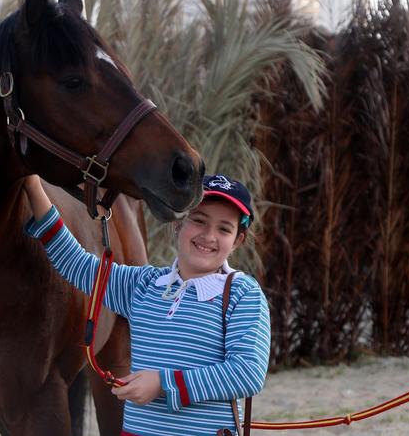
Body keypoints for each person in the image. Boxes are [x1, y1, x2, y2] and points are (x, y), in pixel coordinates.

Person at [23, 173, 271, 436]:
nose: (209, 235)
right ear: (178, 223)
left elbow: (247, 372)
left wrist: (162, 384)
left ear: (238, 240)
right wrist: (33, 185)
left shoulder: (243, 294)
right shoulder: (143, 284)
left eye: (224, 228)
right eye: (199, 220)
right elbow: (76, 263)